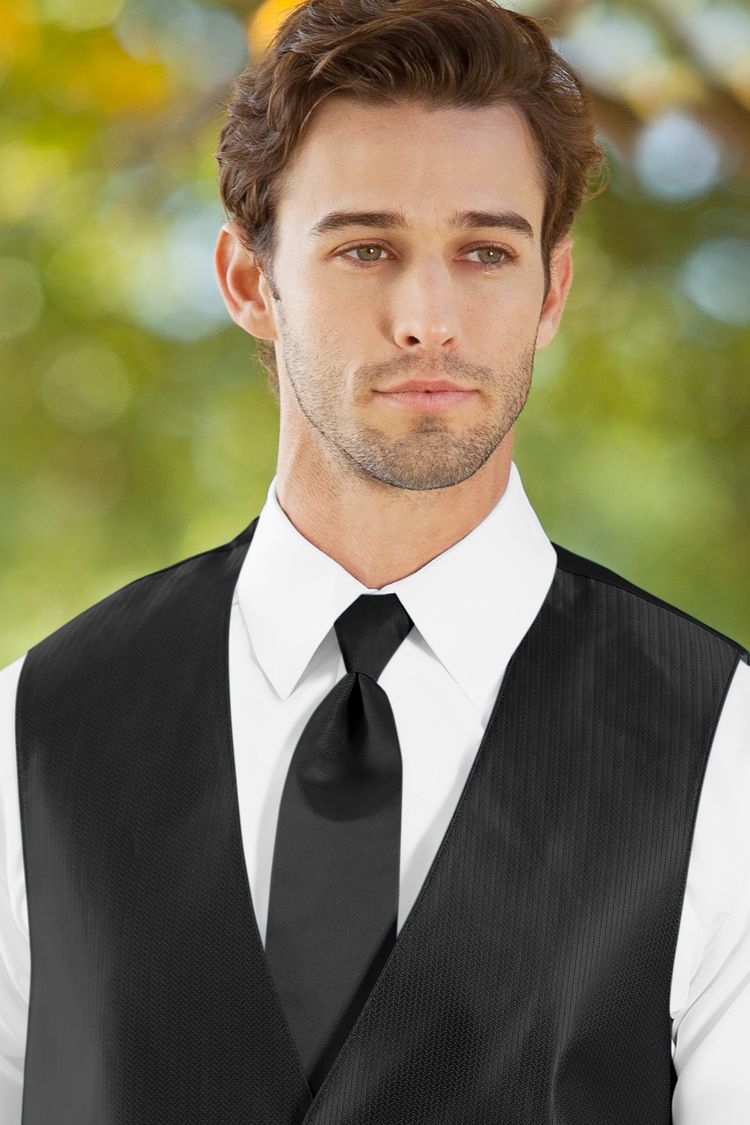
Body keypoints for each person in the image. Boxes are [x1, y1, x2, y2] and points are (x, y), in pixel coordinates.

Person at [0, 0, 748, 1121]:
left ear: (551, 292)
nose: (427, 316)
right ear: (251, 283)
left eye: (486, 251)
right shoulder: (33, 733)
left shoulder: (728, 748)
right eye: (367, 247)